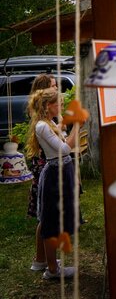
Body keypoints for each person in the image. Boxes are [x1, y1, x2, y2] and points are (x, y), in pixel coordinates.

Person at [26, 88, 79, 279]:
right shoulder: (42, 126)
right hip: (55, 175)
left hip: (62, 172)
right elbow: (63, 149)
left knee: (57, 220)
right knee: (51, 222)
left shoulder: (50, 122)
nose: (61, 107)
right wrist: (77, 126)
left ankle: (51, 262)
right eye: (59, 104)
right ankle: (52, 270)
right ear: (48, 106)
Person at [26, 74, 59, 219]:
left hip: (53, 155)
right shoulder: (39, 112)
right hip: (44, 157)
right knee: (46, 191)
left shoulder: (53, 106)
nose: (56, 87)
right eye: (53, 85)